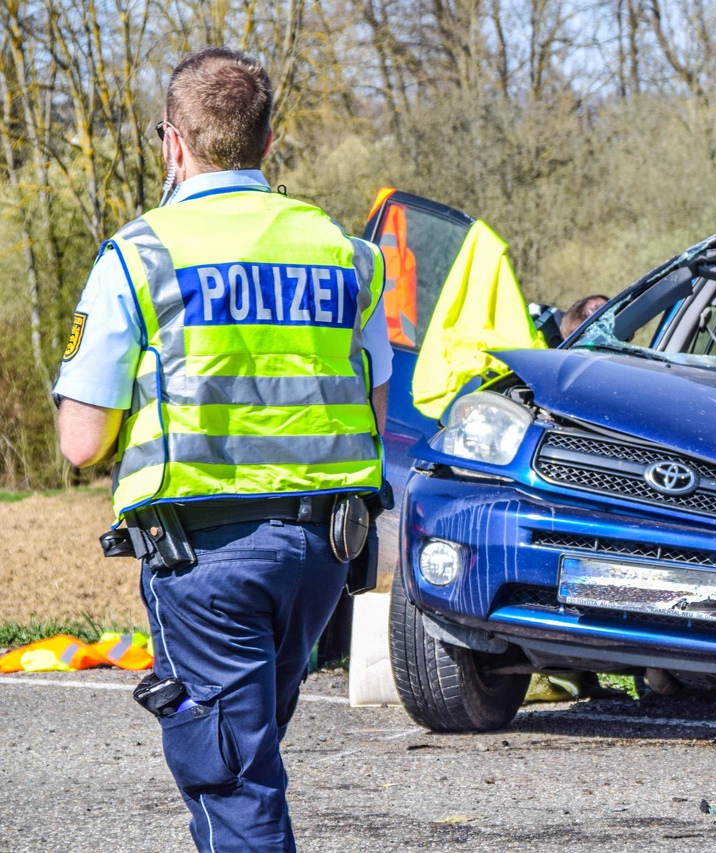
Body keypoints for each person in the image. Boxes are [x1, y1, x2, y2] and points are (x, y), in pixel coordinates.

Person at [53, 48, 392, 853]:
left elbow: (80, 441)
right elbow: (374, 411)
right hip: (319, 554)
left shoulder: (139, 256)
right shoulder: (345, 254)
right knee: (251, 750)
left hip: (204, 559)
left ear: (173, 143)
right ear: (268, 143)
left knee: (234, 781)